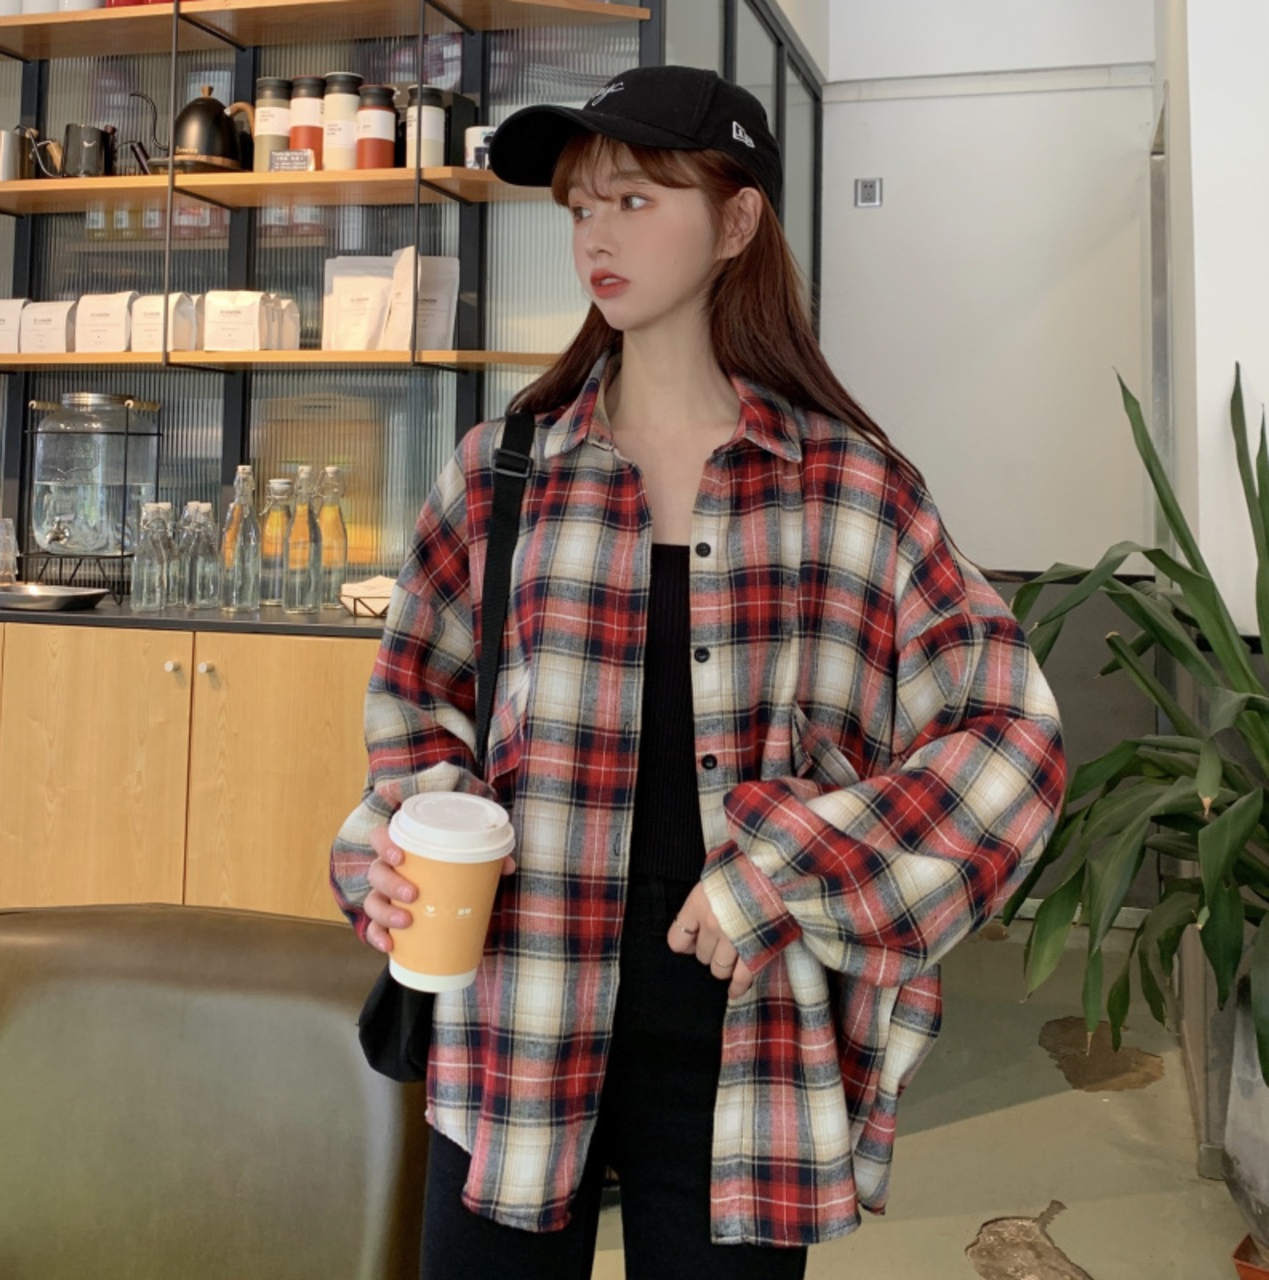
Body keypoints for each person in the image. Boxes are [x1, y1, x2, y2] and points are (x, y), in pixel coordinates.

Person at [330, 64, 1067, 1280]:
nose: (594, 236)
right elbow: (415, 712)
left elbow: (1010, 740)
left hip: (743, 1039)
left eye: (634, 200)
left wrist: (785, 870)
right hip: (517, 1010)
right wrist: (403, 849)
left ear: (735, 222)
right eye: (580, 206)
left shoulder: (850, 491)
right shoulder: (502, 470)